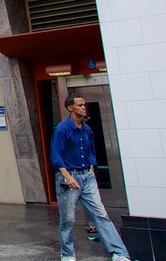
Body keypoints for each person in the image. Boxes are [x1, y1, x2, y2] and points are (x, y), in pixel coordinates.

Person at [52, 94, 133, 261]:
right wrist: (67, 176)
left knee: (100, 215)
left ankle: (119, 253)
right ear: (70, 108)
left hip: (86, 177)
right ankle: (67, 255)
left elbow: (90, 153)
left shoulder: (87, 130)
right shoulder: (62, 129)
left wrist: (90, 170)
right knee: (68, 219)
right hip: (68, 177)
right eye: (80, 105)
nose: (84, 107)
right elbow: (56, 155)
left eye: (84, 104)